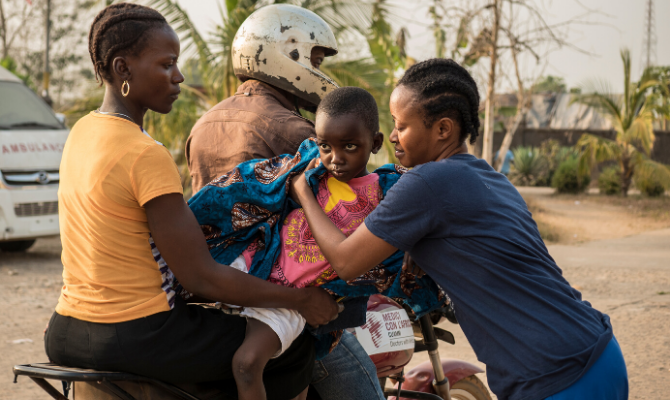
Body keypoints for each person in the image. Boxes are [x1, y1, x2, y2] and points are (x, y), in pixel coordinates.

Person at [45, 4, 338, 400]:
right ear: (122, 69)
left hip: (66, 328)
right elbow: (200, 277)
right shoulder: (144, 153)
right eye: (166, 64)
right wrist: (302, 299)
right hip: (137, 332)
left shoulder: (82, 131)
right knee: (294, 351)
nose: (179, 77)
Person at [290, 59, 628, 400]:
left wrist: (303, 192)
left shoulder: (425, 183)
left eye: (402, 126)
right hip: (598, 350)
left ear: (443, 130)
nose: (392, 136)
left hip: (554, 374)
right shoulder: (489, 176)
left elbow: (346, 262)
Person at [186, 5, 386, 400]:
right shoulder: (300, 134)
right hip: (281, 298)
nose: (318, 69)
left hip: (216, 286)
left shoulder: (206, 121)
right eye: (313, 58)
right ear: (286, 54)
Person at [224, 86, 384, 400]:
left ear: (375, 143)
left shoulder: (383, 195)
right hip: (253, 264)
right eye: (326, 146)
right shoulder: (309, 170)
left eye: (349, 146)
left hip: (291, 299)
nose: (336, 158)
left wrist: (302, 192)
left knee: (247, 364)